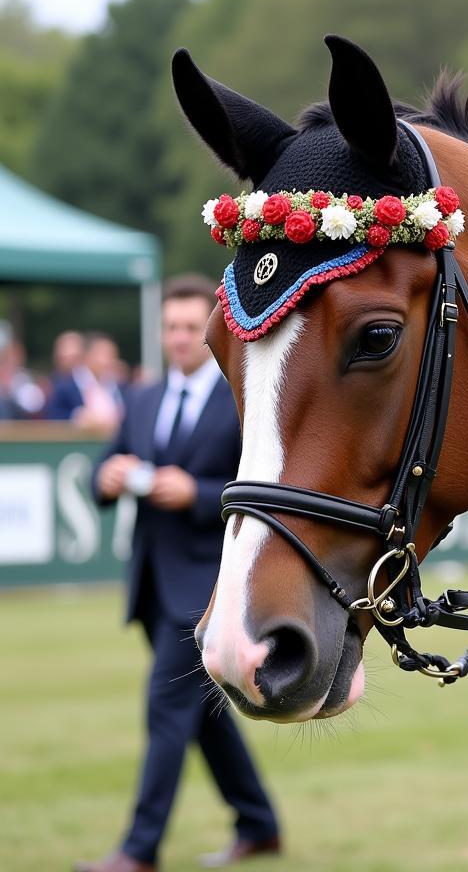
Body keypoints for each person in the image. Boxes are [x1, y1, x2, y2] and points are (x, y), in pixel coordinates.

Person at [75, 275, 281, 872]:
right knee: (203, 720)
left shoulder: (238, 395)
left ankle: (138, 850)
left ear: (212, 329)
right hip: (151, 581)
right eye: (172, 327)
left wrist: (194, 492)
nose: (181, 338)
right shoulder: (141, 397)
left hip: (209, 585)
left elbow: (262, 488)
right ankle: (259, 824)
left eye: (192, 327)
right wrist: (108, 479)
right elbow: (98, 476)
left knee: (167, 710)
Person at [47, 331, 125, 433]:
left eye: (112, 355)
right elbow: (53, 417)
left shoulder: (119, 387)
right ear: (87, 355)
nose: (107, 360)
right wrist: (76, 417)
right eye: (102, 354)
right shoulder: (65, 387)